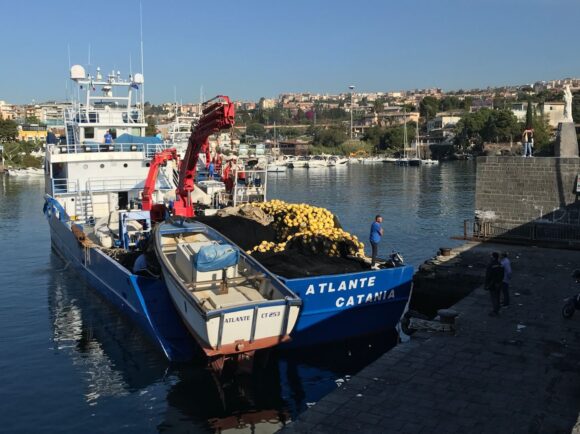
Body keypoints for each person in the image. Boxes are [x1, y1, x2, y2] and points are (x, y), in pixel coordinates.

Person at [485, 252, 504, 316]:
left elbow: (488, 276)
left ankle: (495, 311)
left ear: (493, 257)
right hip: (499, 283)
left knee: (494, 298)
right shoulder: (500, 264)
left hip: (492, 284)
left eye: (491, 256)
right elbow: (502, 274)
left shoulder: (491, 265)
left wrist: (486, 285)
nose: (490, 257)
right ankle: (497, 309)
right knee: (498, 297)